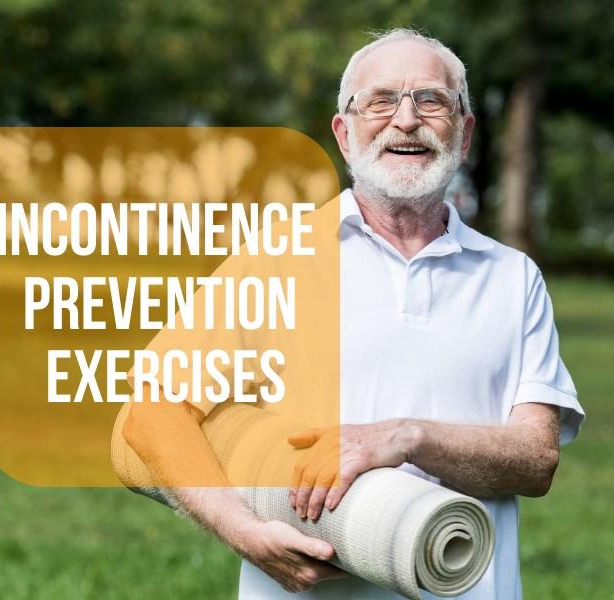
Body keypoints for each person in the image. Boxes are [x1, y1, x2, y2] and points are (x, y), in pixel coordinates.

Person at [124, 28, 584, 600]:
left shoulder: (513, 278)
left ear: (464, 134)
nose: (407, 120)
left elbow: (536, 459)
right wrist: (243, 533)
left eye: (432, 100)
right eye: (381, 100)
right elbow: (154, 411)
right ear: (344, 134)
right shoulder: (274, 260)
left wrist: (407, 437)